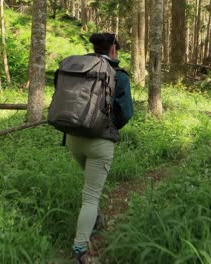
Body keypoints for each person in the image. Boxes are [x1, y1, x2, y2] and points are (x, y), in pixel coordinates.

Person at [67, 33, 134, 263]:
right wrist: (111, 125)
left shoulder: (79, 67)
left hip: (73, 138)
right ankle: (80, 251)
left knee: (90, 186)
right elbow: (125, 112)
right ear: (114, 49)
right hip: (100, 142)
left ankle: (95, 220)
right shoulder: (119, 75)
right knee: (91, 197)